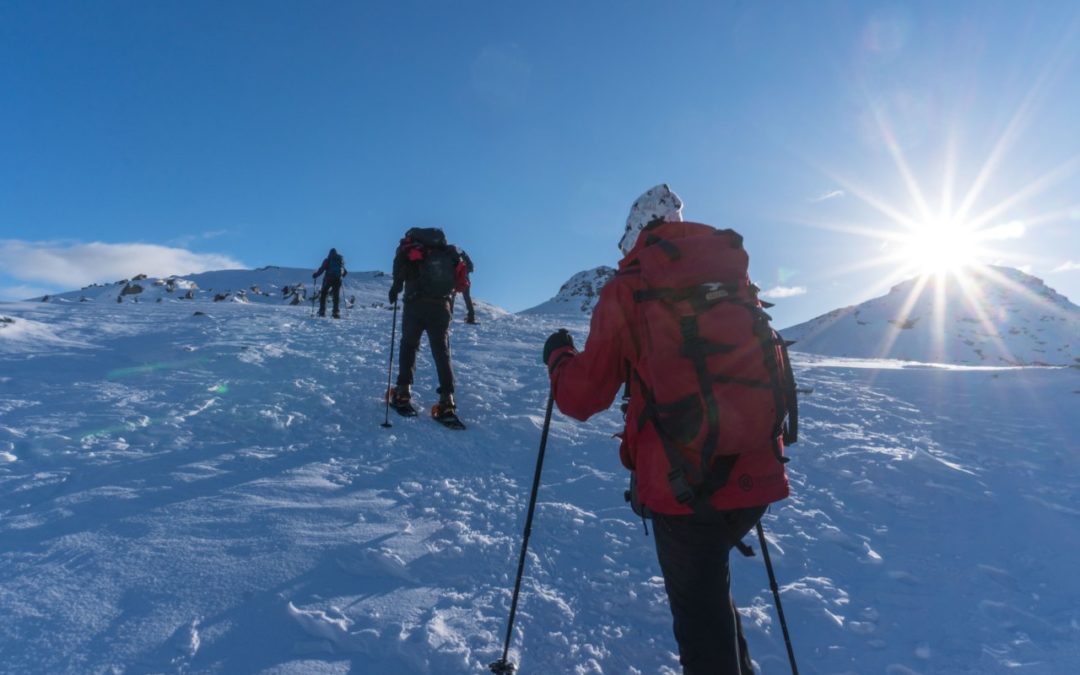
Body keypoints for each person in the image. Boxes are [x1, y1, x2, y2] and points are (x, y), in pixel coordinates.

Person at [541, 185, 795, 674]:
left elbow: (582, 396)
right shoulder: (734, 279)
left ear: (635, 231)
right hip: (754, 471)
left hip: (683, 481)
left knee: (700, 622)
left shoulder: (632, 286)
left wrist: (558, 358)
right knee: (708, 595)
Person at [388, 227, 465, 420]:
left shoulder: (411, 248)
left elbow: (399, 270)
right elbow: (463, 275)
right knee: (441, 352)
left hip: (415, 304)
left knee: (409, 345)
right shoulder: (448, 253)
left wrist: (395, 288)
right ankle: (447, 401)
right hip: (442, 306)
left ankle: (403, 393)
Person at [313, 247, 347, 318]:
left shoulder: (328, 260)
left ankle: (322, 311)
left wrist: (315, 275)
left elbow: (322, 269)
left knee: (324, 294)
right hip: (337, 280)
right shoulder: (340, 261)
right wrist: (340, 277)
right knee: (336, 296)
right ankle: (336, 312)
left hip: (328, 279)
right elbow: (345, 272)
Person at [459, 249, 477, 324]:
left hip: (456, 279)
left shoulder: (453, 255)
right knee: (467, 297)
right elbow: (471, 269)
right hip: (465, 280)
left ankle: (449, 315)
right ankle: (471, 317)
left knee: (451, 296)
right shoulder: (464, 256)